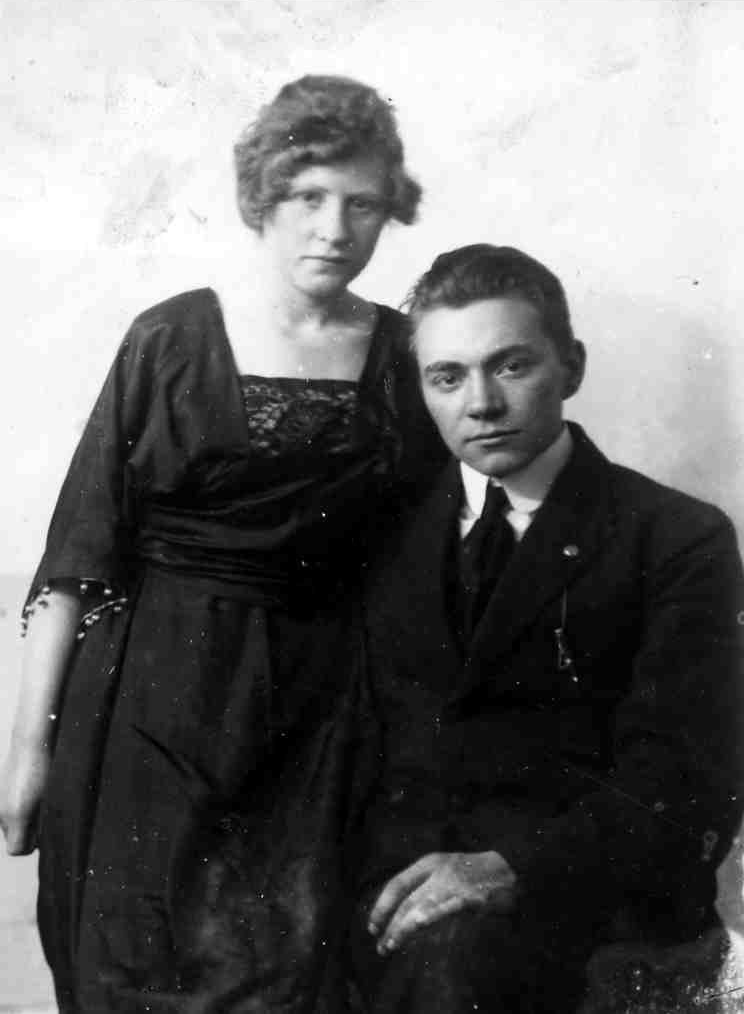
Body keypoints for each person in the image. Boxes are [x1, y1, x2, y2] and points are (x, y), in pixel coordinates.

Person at [0, 75, 445, 1014]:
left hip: (321, 724)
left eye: (363, 204)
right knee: (132, 968)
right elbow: (78, 558)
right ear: (262, 198)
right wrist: (28, 752)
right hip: (150, 707)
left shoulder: (409, 358)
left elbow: (431, 568)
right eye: (308, 197)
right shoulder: (169, 339)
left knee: (293, 974)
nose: (334, 229)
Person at [351, 244, 744, 1013]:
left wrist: (509, 868)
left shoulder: (675, 537)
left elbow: (685, 779)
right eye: (447, 377)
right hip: (400, 906)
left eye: (511, 366)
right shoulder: (385, 537)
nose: (481, 404)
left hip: (592, 907)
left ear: (572, 367)